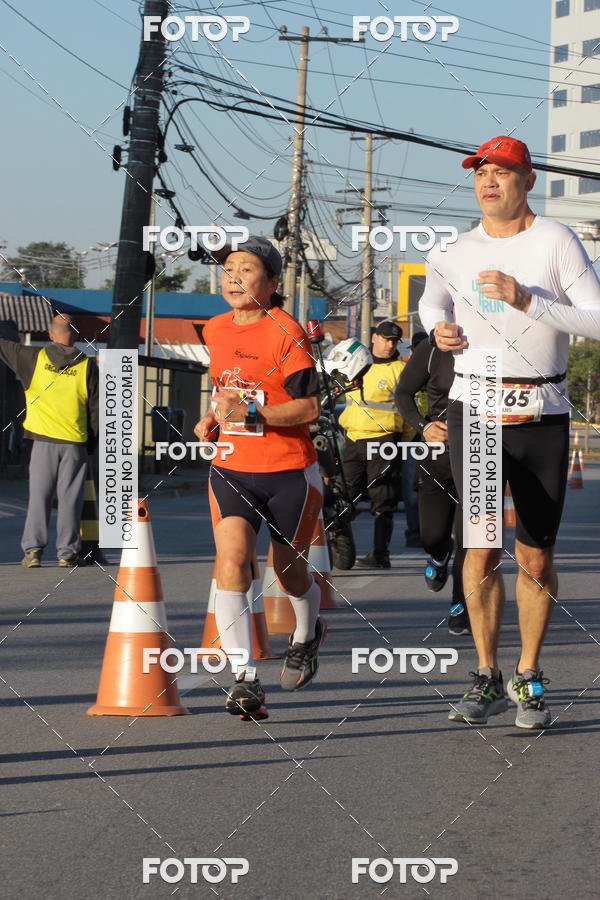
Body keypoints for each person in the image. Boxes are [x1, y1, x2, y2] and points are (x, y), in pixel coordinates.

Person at [419, 135, 600, 728]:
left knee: (536, 557)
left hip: (541, 409)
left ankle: (528, 674)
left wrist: (528, 301)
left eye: (500, 172)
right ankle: (485, 674)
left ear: (527, 180)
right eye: (480, 173)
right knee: (480, 548)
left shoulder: (556, 240)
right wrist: (439, 328)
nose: (488, 182)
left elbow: (597, 319)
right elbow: (431, 303)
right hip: (475, 405)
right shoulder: (455, 249)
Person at [194, 235, 325, 721]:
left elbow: (309, 408)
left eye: (246, 269)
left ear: (271, 282)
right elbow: (225, 389)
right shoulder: (215, 329)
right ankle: (245, 678)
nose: (233, 278)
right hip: (232, 468)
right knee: (232, 561)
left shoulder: (286, 331)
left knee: (289, 574)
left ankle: (306, 632)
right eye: (228, 268)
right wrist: (212, 417)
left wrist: (251, 413)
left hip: (289, 472)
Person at [0, 313, 98, 567]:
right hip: (74, 444)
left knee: (38, 497)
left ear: (51, 334)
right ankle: (67, 554)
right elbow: (96, 411)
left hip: (42, 442)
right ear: (75, 334)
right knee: (70, 500)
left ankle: (33, 551)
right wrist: (90, 446)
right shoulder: (87, 366)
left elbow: (3, 345)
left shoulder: (31, 358)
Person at [395, 331, 469, 635]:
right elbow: (403, 393)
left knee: (471, 541)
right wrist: (423, 426)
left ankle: (460, 605)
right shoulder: (434, 346)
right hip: (438, 456)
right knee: (432, 535)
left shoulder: (497, 341)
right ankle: (439, 555)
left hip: (481, 454)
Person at [339, 320, 410, 568]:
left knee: (383, 497)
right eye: (386, 339)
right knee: (345, 495)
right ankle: (340, 547)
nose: (390, 345)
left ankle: (380, 554)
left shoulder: (400, 370)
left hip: (383, 439)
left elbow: (408, 407)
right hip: (353, 438)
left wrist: (405, 441)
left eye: (394, 341)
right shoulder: (355, 364)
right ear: (374, 337)